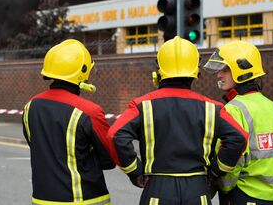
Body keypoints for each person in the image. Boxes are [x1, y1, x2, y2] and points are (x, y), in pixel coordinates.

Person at [108, 36, 248, 205]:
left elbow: (115, 135)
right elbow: (239, 138)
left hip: (158, 189)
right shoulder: (213, 108)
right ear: (195, 72)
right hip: (197, 190)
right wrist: (215, 172)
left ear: (159, 71)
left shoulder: (142, 105)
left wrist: (135, 172)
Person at [203, 40, 273, 205]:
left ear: (241, 70)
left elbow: (230, 157)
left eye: (225, 69)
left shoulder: (233, 110)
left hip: (242, 196)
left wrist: (223, 187)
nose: (219, 75)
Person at [22, 39, 115, 205]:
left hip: (41, 199)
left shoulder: (30, 107)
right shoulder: (89, 111)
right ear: (82, 72)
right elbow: (108, 159)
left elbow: (39, 146)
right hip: (84, 199)